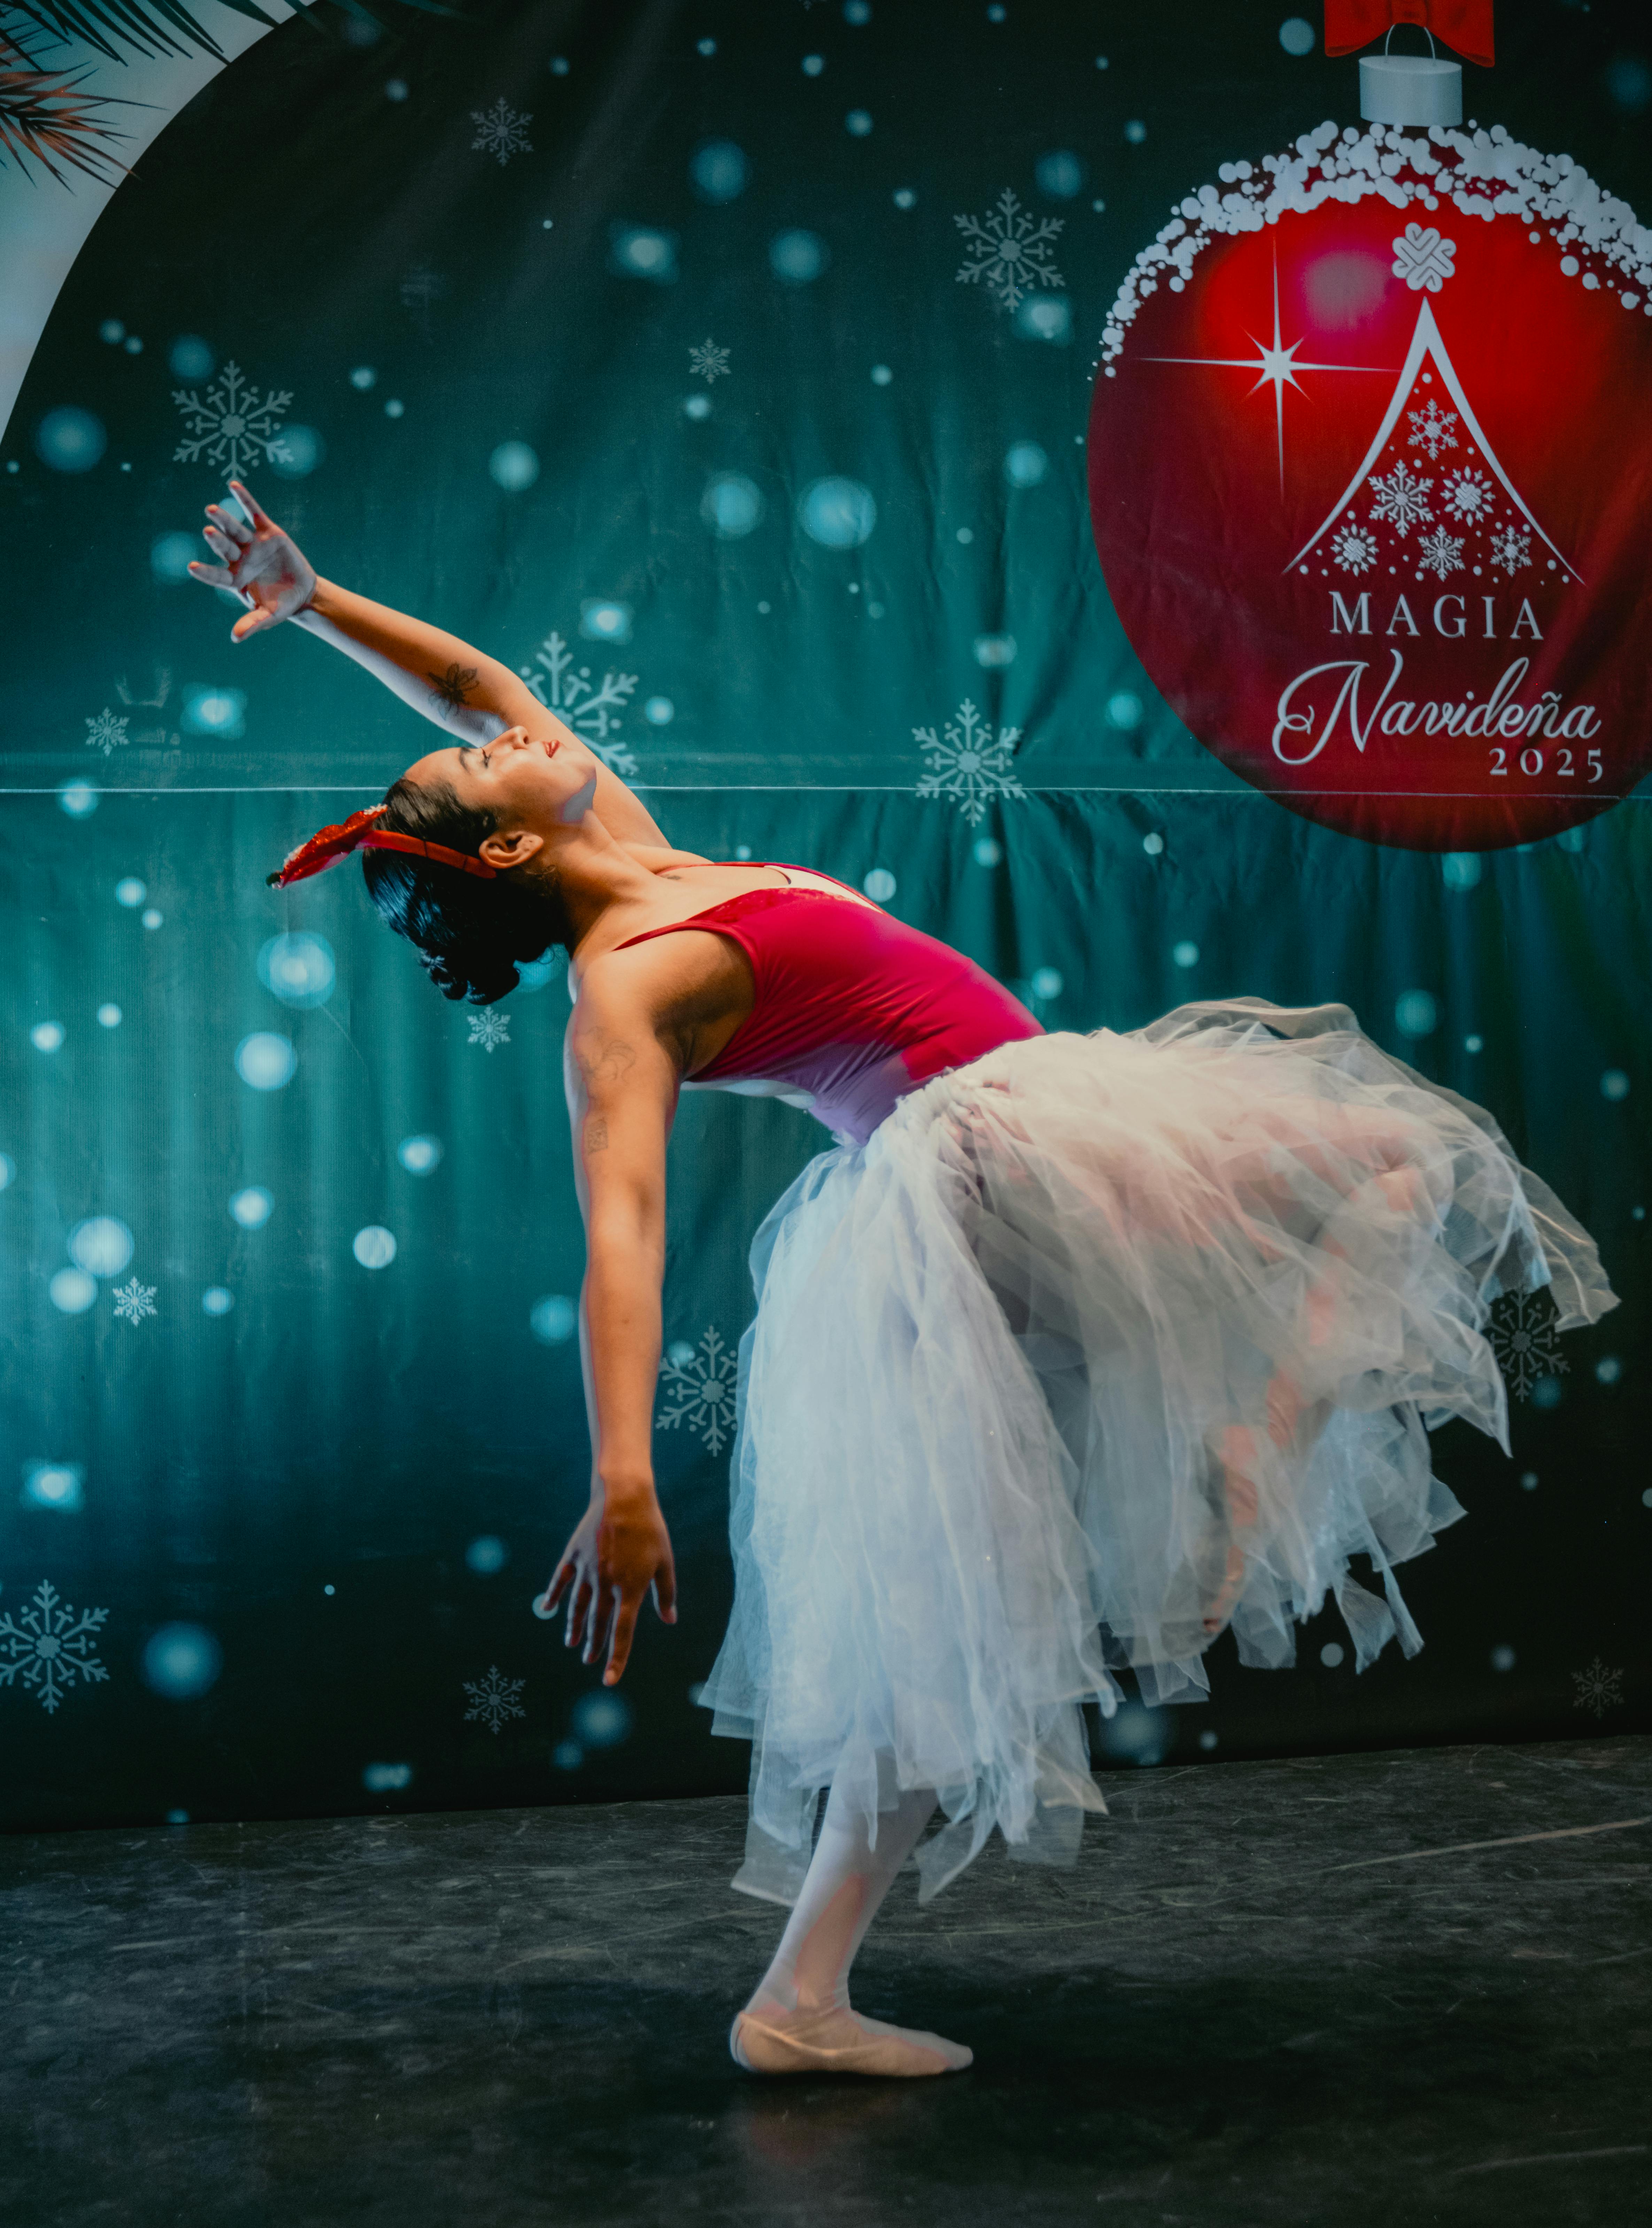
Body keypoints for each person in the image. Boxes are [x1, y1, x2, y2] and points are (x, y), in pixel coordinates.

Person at [191, 482, 1617, 2079]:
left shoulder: (647, 870)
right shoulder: (627, 990)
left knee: (956, 1621)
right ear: (513, 839)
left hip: (984, 1174)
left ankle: (799, 1997)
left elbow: (473, 686)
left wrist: (318, 602)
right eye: (490, 760)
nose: (513, 718)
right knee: (1397, 1166)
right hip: (1000, 1154)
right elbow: (624, 1231)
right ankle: (1250, 1432)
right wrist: (618, 1470)